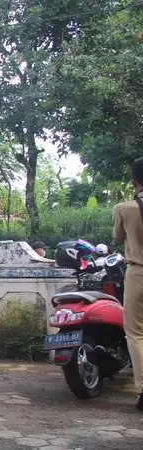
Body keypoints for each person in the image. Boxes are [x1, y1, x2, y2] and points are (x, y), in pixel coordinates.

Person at [113, 157, 143, 411]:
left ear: (135, 182)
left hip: (138, 273)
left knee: (135, 333)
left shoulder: (125, 208)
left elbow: (118, 238)